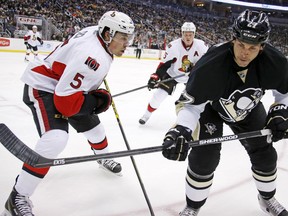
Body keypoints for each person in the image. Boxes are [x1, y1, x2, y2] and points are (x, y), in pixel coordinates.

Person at [1, 11, 135, 216]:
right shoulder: (91, 56)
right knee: (56, 139)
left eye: (129, 37)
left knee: (96, 130)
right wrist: (96, 100)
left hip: (67, 89)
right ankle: (17, 196)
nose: (128, 43)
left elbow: (74, 74)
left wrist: (91, 88)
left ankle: (102, 158)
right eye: (123, 37)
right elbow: (65, 105)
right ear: (108, 34)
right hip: (44, 86)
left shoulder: (96, 34)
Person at [161, 9, 288, 216]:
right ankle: (192, 207)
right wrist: (181, 130)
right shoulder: (211, 65)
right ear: (233, 39)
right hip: (211, 109)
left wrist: (281, 110)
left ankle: (267, 200)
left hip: (249, 109)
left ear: (262, 46)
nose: (245, 53)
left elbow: (284, 93)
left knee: (265, 155)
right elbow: (192, 106)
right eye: (240, 45)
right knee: (205, 158)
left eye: (252, 47)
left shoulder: (275, 62)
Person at [139, 22, 208, 125]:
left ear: (194, 34)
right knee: (158, 96)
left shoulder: (201, 45)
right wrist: (156, 76)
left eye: (190, 35)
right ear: (182, 34)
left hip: (191, 77)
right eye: (185, 34)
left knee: (198, 98)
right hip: (173, 75)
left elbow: (206, 62)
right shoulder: (174, 46)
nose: (188, 37)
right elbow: (164, 65)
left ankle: (194, 119)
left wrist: (197, 68)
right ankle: (147, 114)